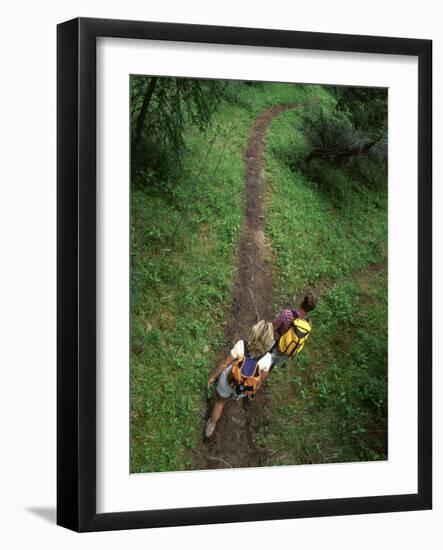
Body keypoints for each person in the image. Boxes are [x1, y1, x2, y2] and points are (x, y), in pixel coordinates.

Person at [205, 320, 274, 438]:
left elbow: (225, 363)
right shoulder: (267, 359)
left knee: (220, 402)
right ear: (269, 341)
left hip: (228, 380)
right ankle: (235, 395)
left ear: (254, 332)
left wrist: (213, 377)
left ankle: (211, 425)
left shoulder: (241, 345)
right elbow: (261, 379)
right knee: (235, 393)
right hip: (243, 388)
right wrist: (253, 390)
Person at [270, 292, 317, 369]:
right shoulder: (308, 325)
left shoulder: (287, 314)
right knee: (269, 368)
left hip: (276, 345)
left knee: (262, 364)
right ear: (311, 310)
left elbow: (273, 327)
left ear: (302, 302)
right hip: (288, 352)